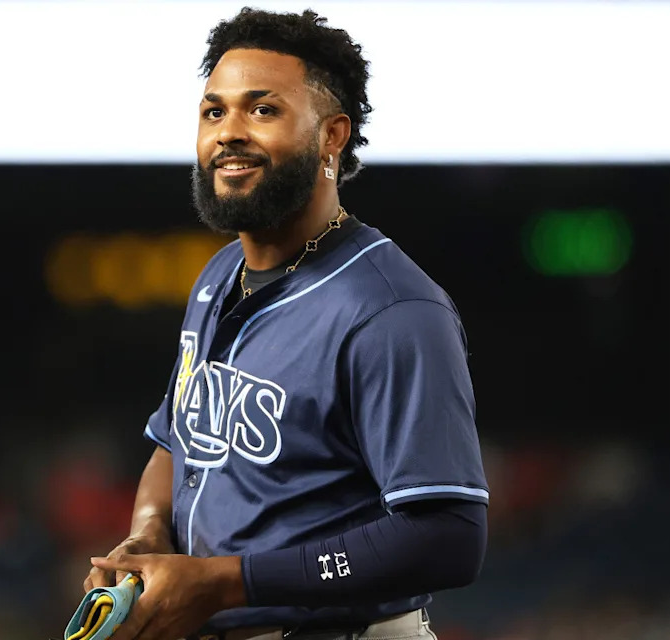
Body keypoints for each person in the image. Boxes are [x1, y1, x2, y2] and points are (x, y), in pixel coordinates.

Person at [84, 8, 489, 640]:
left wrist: (226, 581)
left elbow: (447, 537)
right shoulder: (219, 274)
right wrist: (145, 537)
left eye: (262, 110)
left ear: (332, 136)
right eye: (214, 112)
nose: (229, 133)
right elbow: (178, 442)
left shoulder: (391, 310)